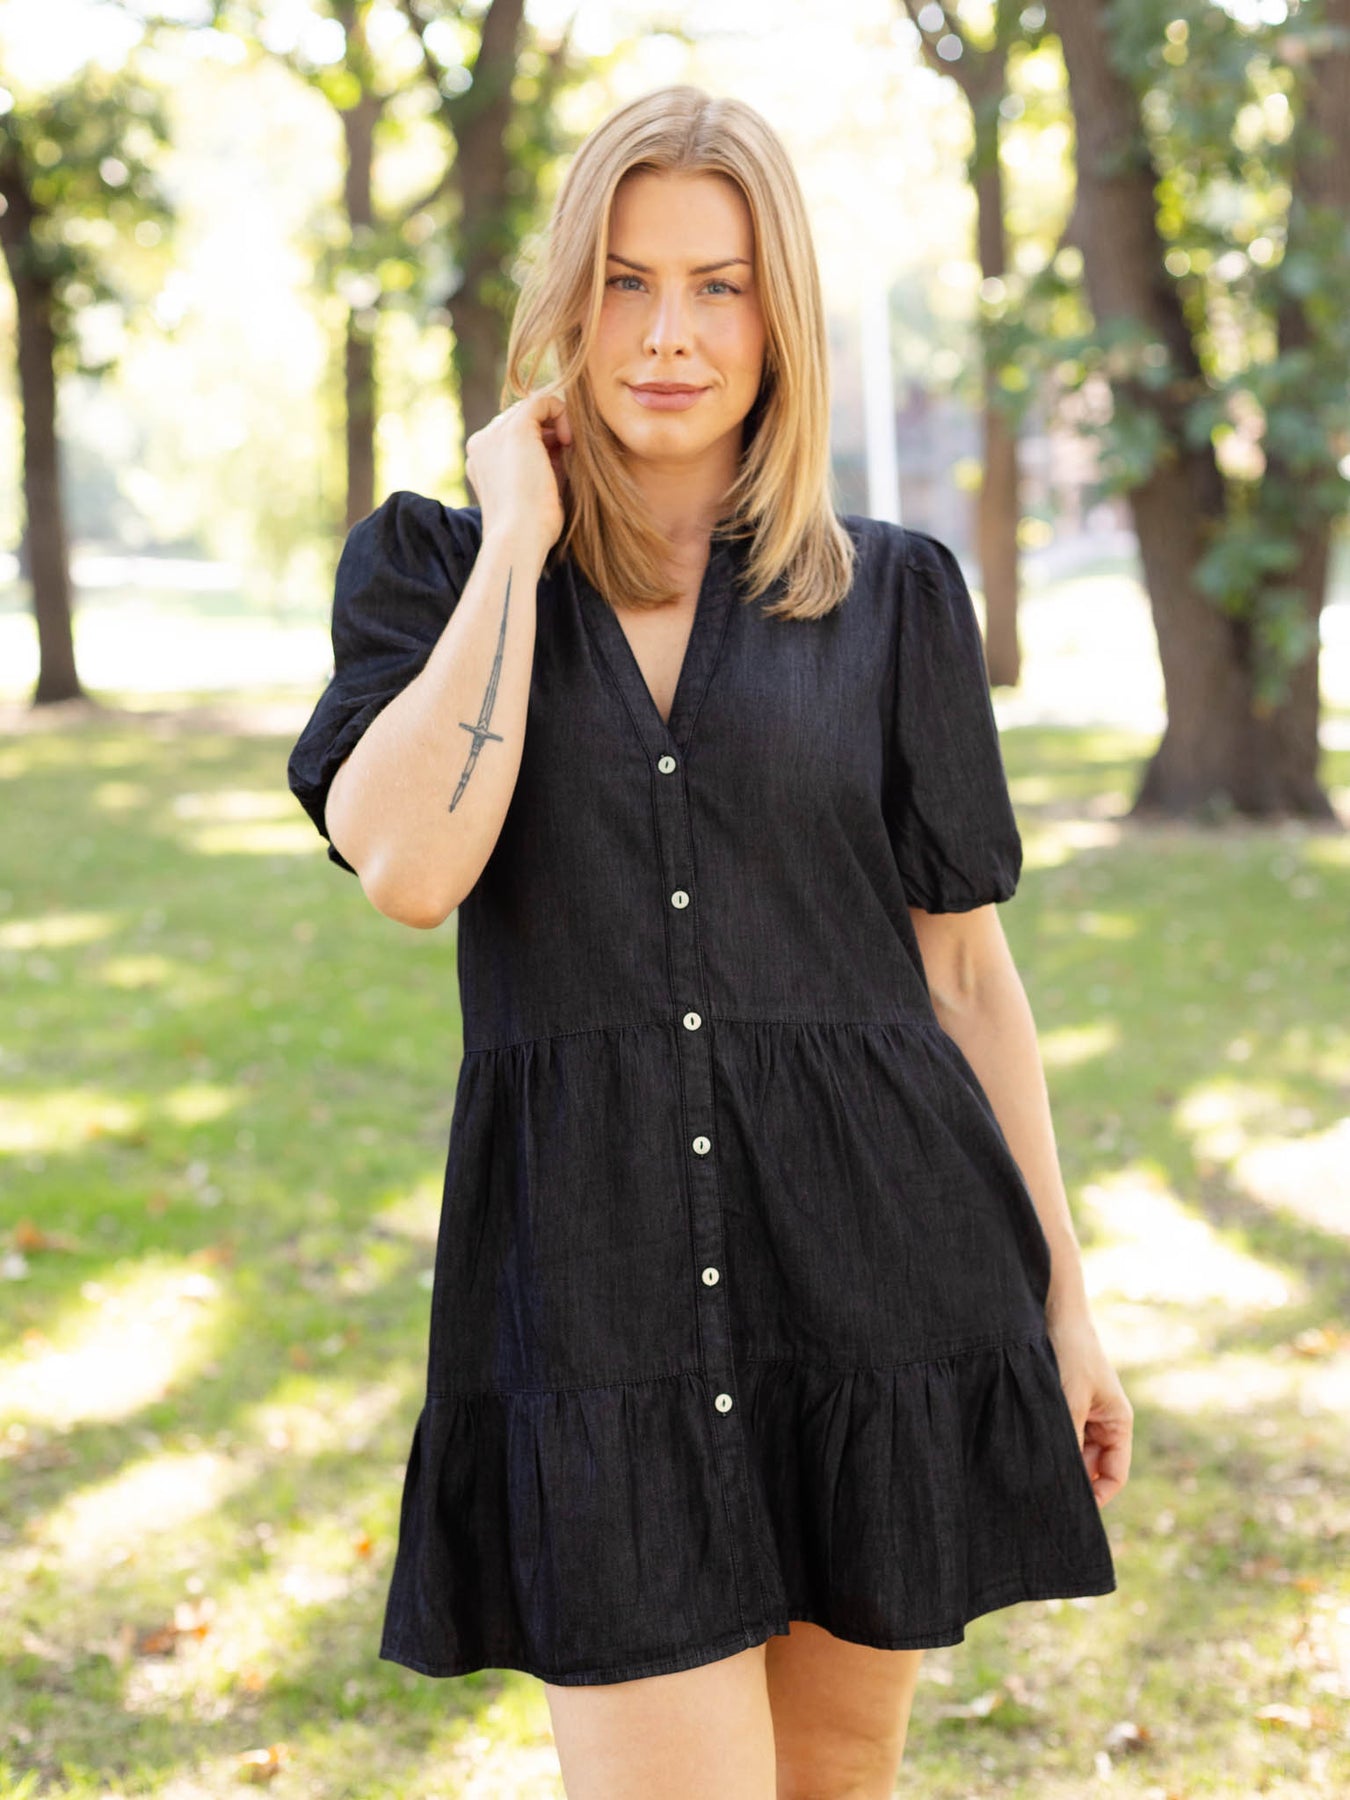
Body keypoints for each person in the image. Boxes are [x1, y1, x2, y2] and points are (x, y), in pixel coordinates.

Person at [286, 82, 1134, 1800]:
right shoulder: (436, 572)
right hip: (591, 1309)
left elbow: (963, 975)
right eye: (624, 281)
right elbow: (409, 866)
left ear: (778, 315)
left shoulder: (893, 596)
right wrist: (517, 547)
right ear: (567, 299)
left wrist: (1064, 1293)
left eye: (717, 286)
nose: (666, 334)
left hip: (881, 1287)